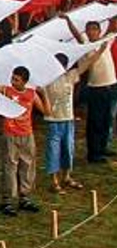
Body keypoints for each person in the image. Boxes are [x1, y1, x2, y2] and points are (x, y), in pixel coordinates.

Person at [0, 61, 50, 216]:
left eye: (16, 80)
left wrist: (44, 94)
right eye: (12, 78)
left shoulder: (31, 94)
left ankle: (25, 197)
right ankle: (7, 200)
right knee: (10, 166)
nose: (13, 82)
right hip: (10, 134)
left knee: (27, 166)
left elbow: (46, 112)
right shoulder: (7, 90)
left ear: (24, 81)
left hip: (27, 134)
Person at [42, 48, 107, 192]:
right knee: (54, 151)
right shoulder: (46, 80)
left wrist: (101, 50)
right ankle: (54, 181)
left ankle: (66, 176)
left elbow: (88, 63)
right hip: (54, 120)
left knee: (68, 149)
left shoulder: (70, 76)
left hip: (68, 119)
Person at [63, 16, 117, 162]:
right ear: (86, 32)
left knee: (107, 120)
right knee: (96, 121)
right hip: (96, 89)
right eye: (89, 30)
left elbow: (113, 27)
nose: (92, 32)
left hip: (111, 86)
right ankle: (94, 154)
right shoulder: (86, 46)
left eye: (94, 29)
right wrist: (68, 20)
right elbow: (77, 35)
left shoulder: (105, 41)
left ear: (99, 31)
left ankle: (103, 147)